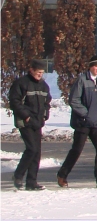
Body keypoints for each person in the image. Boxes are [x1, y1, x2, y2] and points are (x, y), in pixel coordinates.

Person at [57, 55, 97, 188]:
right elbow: (74, 100)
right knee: (77, 150)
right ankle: (62, 174)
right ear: (90, 67)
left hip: (96, 122)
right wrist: (85, 114)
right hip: (83, 122)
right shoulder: (82, 80)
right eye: (95, 66)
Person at [8, 58, 51, 190]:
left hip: (38, 121)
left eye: (42, 72)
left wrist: (45, 114)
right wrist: (25, 116)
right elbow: (14, 102)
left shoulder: (44, 85)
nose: (40, 75)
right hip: (25, 121)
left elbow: (47, 102)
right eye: (38, 72)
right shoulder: (21, 83)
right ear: (31, 70)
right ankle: (18, 175)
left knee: (37, 152)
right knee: (31, 149)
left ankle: (31, 182)